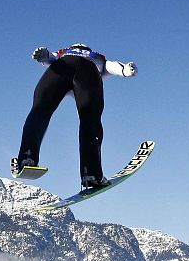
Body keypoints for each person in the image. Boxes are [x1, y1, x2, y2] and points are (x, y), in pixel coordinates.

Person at [12, 43, 137, 188]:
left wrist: (45, 56)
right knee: (90, 120)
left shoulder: (65, 53)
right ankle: (91, 173)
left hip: (62, 66)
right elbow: (112, 66)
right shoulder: (97, 57)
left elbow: (51, 58)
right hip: (88, 71)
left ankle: (27, 157)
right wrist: (125, 70)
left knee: (40, 109)